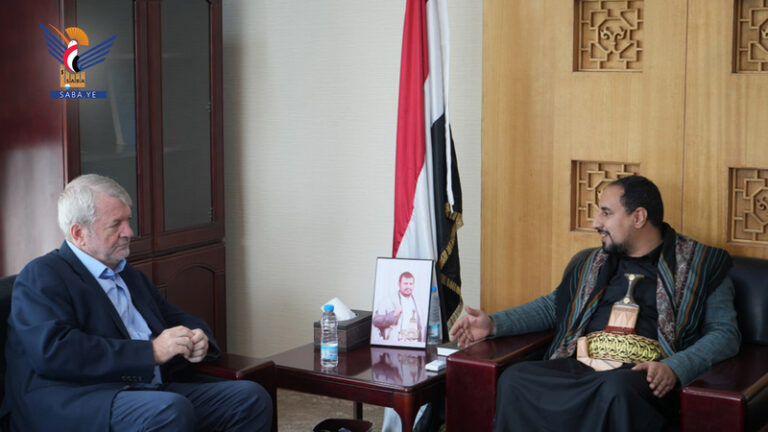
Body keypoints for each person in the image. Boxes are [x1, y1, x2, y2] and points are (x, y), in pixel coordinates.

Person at [449, 175, 740, 431]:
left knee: (616, 389)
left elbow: (725, 334)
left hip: (641, 375)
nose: (596, 223)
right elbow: (553, 307)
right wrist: (493, 324)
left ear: (638, 217)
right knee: (515, 378)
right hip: (582, 364)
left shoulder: (703, 264)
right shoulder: (591, 262)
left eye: (606, 213)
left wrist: (674, 368)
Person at [2, 174, 272, 431]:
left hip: (147, 390)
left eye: (128, 221)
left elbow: (176, 318)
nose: (129, 232)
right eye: (116, 225)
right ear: (78, 233)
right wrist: (150, 352)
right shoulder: (42, 275)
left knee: (250, 398)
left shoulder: (128, 274)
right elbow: (55, 352)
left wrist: (197, 338)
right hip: (80, 398)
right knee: (168, 410)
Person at [373, 271, 424, 342]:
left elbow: (421, 327)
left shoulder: (418, 303)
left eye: (411, 284)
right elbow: (376, 321)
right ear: (399, 284)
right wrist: (393, 315)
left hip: (414, 344)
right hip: (394, 344)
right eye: (405, 283)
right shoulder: (388, 301)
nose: (408, 286)